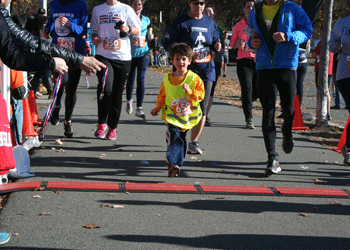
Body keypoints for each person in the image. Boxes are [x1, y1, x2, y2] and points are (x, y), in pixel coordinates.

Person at [248, 0, 312, 176]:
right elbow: (250, 36)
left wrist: (288, 36)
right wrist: (251, 44)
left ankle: (288, 134)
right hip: (264, 67)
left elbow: (308, 31)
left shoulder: (292, 9)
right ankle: (272, 157)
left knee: (288, 110)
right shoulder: (256, 10)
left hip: (286, 67)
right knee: (267, 110)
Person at [163, 0, 221, 155]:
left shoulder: (209, 22)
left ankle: (193, 142)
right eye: (196, 3)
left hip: (207, 69)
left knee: (202, 107)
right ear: (189, 3)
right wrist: (179, 53)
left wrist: (218, 45)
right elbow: (167, 42)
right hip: (186, 72)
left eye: (202, 3)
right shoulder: (181, 21)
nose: (199, 6)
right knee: (185, 106)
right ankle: (178, 136)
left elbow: (216, 39)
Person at [150, 43, 204, 177]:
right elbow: (162, 96)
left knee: (181, 139)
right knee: (174, 136)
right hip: (172, 116)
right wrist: (157, 108)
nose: (181, 62)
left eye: (184, 59)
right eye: (177, 59)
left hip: (186, 117)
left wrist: (190, 91)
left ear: (189, 61)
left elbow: (201, 95)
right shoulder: (167, 80)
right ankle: (172, 164)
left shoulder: (194, 78)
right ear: (172, 61)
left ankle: (178, 164)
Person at [91, 0, 141, 140]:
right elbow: (94, 32)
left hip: (122, 57)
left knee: (117, 94)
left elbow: (138, 29)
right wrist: (95, 38)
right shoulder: (97, 9)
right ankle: (101, 124)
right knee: (105, 88)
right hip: (103, 55)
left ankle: (112, 128)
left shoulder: (125, 9)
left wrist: (128, 29)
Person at [44, 0, 90, 138]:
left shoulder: (81, 4)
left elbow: (83, 30)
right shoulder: (53, 4)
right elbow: (51, 22)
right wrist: (46, 30)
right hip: (58, 51)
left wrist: (69, 24)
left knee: (71, 88)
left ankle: (68, 121)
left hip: (76, 53)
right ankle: (56, 107)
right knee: (61, 83)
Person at [230, 0, 258, 129]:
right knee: (247, 89)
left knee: (258, 90)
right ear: (244, 10)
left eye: (252, 7)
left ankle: (247, 102)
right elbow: (232, 44)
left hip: (258, 62)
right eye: (248, 7)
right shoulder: (238, 25)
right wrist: (237, 44)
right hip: (243, 62)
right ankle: (249, 118)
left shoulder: (259, 23)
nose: (250, 9)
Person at [125, 0, 153, 119]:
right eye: (135, 5)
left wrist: (150, 34)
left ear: (142, 7)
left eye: (139, 5)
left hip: (144, 52)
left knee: (141, 77)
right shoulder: (128, 18)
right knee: (130, 78)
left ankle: (139, 108)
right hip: (130, 54)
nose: (137, 7)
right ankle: (129, 100)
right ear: (131, 6)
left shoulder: (146, 19)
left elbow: (149, 27)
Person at [329, 15, 350, 165]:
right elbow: (331, 43)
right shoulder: (342, 23)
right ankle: (348, 149)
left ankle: (348, 147)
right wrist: (335, 47)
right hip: (345, 74)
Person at [202, 4, 223, 127]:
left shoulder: (218, 28)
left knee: (210, 89)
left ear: (214, 14)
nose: (208, 14)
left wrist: (218, 47)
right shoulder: (199, 25)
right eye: (206, 12)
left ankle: (205, 114)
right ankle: (197, 113)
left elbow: (221, 46)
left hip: (215, 61)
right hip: (201, 61)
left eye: (210, 12)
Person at [26, 14, 54, 99]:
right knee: (45, 74)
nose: (45, 25)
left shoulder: (34, 30)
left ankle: (33, 92)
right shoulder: (38, 31)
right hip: (42, 55)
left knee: (38, 76)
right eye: (44, 23)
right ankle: (51, 92)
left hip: (38, 55)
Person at [311, 35, 333, 121]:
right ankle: (328, 112)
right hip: (329, 70)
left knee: (322, 91)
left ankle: (322, 113)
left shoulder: (321, 43)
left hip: (321, 70)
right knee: (326, 91)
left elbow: (314, 54)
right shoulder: (332, 43)